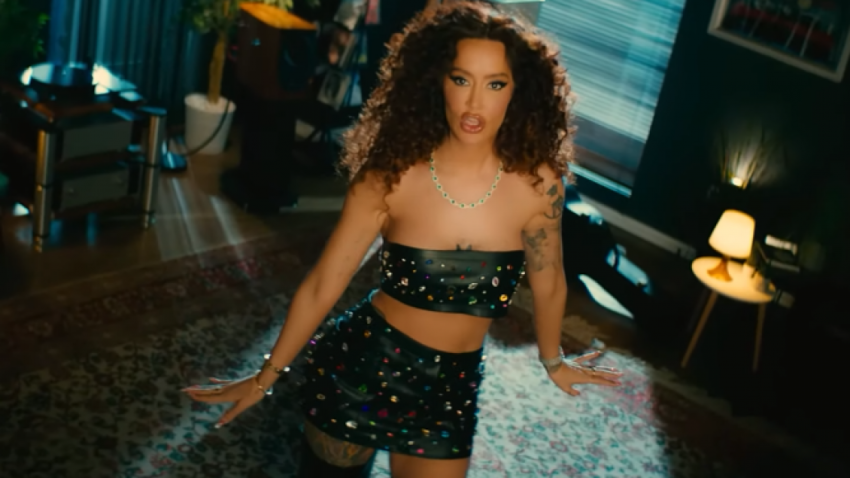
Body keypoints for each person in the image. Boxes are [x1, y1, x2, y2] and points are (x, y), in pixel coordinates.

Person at [183, 2, 623, 477]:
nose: (475, 103)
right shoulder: (389, 177)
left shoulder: (539, 184)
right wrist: (265, 377)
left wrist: (553, 360)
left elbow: (549, 279)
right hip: (361, 374)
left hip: (454, 389)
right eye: (461, 79)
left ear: (518, 91)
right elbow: (324, 283)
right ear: (437, 82)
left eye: (495, 84)